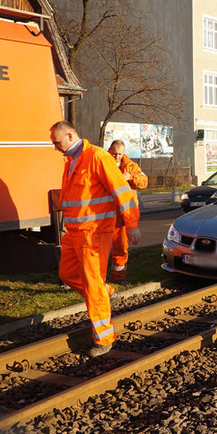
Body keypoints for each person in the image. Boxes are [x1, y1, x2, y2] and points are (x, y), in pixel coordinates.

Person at [50, 121, 141, 357]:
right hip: (74, 233)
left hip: (94, 234)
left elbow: (121, 189)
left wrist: (130, 223)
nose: (55, 147)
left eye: (56, 142)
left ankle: (104, 338)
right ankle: (105, 292)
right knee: (67, 275)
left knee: (92, 286)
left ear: (69, 135)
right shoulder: (71, 160)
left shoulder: (97, 157)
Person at [107, 140, 148, 283]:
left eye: (120, 154)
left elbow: (144, 181)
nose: (117, 157)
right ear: (109, 150)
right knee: (99, 248)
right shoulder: (104, 163)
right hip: (105, 213)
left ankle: (118, 278)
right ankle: (96, 280)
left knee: (121, 248)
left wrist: (130, 177)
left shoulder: (131, 166)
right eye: (114, 153)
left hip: (123, 214)